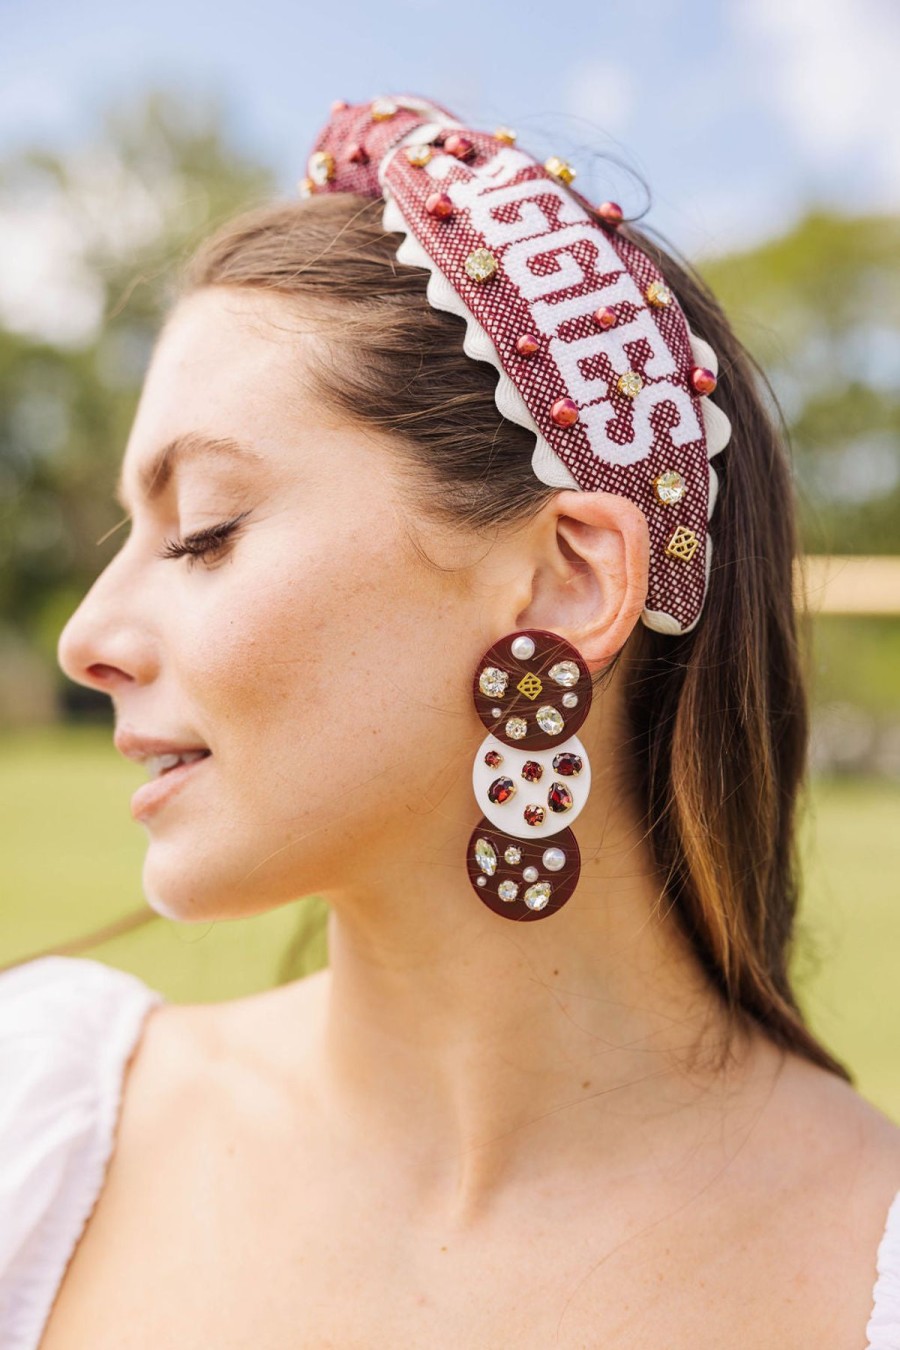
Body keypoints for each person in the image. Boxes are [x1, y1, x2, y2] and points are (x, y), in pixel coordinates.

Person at [2, 93, 899, 1348]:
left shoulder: (868, 1267)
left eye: (204, 529)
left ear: (567, 576)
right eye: (129, 536)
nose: (86, 636)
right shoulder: (37, 1133)